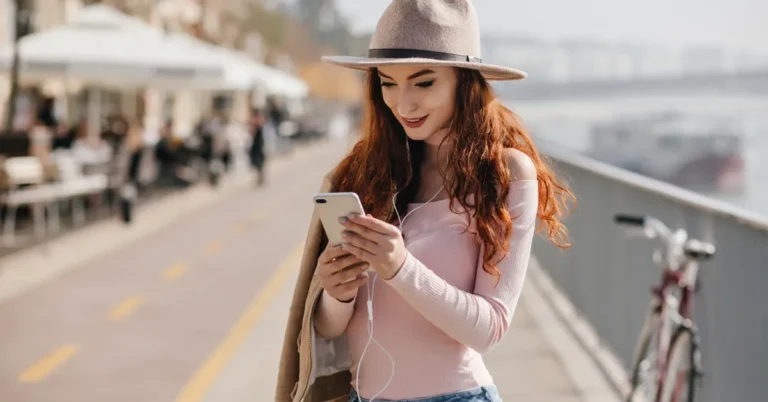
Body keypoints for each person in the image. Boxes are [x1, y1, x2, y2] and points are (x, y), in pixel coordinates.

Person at [275, 1, 575, 402]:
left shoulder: (504, 174)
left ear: (464, 82)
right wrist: (336, 292)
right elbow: (329, 331)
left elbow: (489, 329)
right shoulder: (369, 173)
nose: (404, 104)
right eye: (388, 83)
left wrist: (399, 267)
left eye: (424, 83)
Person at [248, 108, 268, 186]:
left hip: (259, 145)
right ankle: (259, 176)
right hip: (256, 145)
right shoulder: (257, 122)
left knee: (259, 162)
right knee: (257, 162)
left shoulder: (259, 121)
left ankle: (260, 177)